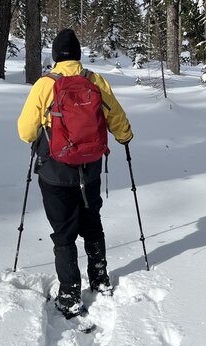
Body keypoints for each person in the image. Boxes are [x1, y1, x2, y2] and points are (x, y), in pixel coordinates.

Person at [17, 29, 133, 318]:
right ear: (79, 55)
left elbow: (26, 131)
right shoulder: (96, 81)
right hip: (90, 170)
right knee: (92, 221)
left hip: (55, 173)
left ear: (56, 57)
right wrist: (125, 137)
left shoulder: (45, 85)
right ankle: (100, 279)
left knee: (64, 232)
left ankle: (69, 293)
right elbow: (116, 117)